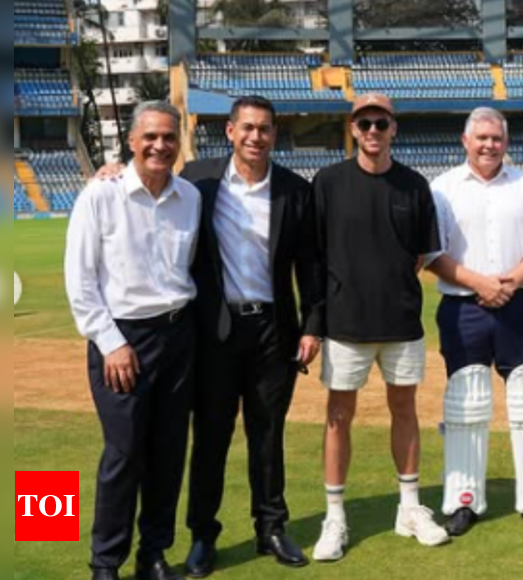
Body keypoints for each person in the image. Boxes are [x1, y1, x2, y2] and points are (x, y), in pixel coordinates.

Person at [178, 96, 321, 576]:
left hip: (273, 332)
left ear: (274, 134)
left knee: (268, 434)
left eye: (264, 129)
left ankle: (271, 527)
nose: (256, 136)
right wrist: (109, 174)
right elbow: (149, 195)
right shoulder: (197, 180)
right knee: (212, 436)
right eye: (247, 128)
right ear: (229, 131)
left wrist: (312, 326)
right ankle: (202, 534)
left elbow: (310, 266)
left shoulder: (293, 190)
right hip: (215, 330)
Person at [311, 93, 449, 561]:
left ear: (394, 129)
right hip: (345, 323)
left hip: (401, 322)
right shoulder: (327, 182)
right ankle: (335, 516)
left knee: (405, 410)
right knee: (338, 416)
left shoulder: (414, 185)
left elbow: (419, 257)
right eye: (364, 123)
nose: (373, 131)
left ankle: (409, 507)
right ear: (352, 129)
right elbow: (315, 256)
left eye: (381, 123)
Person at [66, 101, 201, 580]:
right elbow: (80, 281)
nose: (160, 145)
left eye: (168, 137)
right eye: (150, 137)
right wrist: (110, 342)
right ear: (131, 141)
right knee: (124, 454)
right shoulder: (100, 196)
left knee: (168, 452)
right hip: (122, 340)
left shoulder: (190, 196)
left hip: (178, 337)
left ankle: (154, 553)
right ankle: (106, 562)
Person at [426, 107, 523, 537]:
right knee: (465, 405)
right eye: (481, 138)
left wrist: (507, 282)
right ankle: (465, 500)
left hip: (518, 304)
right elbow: (432, 252)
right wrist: (479, 283)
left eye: (496, 138)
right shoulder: (442, 188)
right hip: (462, 308)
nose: (489, 145)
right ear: (465, 141)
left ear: (506, 142)